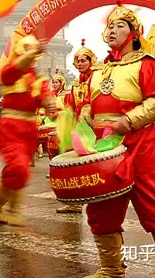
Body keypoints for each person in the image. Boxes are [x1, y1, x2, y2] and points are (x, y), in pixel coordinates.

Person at [80, 1, 155, 277]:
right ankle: (111, 270)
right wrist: (87, 113)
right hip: (104, 148)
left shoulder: (147, 63)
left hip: (141, 145)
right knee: (101, 208)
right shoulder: (98, 70)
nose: (112, 30)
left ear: (134, 32)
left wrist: (128, 121)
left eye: (120, 25)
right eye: (110, 26)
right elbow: (90, 102)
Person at [0, 35, 55, 227]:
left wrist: (49, 103)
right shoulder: (10, 70)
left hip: (30, 128)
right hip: (11, 125)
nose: (29, 54)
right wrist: (33, 52)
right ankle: (4, 207)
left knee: (21, 170)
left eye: (32, 51)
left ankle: (1, 206)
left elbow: (44, 95)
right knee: (18, 167)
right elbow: (13, 72)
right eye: (26, 49)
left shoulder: (39, 78)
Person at [56, 39, 97, 214]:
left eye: (83, 60)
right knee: (76, 165)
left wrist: (89, 112)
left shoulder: (97, 79)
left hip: (95, 127)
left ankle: (99, 200)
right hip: (79, 127)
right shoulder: (75, 84)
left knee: (93, 165)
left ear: (91, 61)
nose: (80, 64)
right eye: (78, 61)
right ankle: (76, 202)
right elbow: (71, 104)